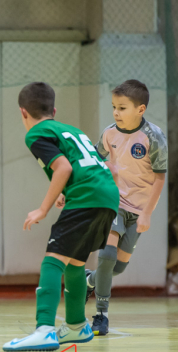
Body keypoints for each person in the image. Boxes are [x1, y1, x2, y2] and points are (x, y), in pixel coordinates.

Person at [3, 82, 119, 352]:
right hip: (107, 197)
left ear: (23, 112)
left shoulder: (36, 133)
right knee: (75, 262)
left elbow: (63, 168)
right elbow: (110, 169)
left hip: (87, 197)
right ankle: (77, 326)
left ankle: (44, 330)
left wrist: (42, 209)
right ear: (53, 111)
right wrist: (69, 192)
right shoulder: (73, 131)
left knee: (53, 260)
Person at [86, 80, 167, 336]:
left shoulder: (154, 137)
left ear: (140, 109)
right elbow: (93, 163)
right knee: (107, 256)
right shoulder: (109, 134)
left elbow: (160, 178)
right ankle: (101, 315)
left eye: (122, 108)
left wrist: (147, 213)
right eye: (114, 107)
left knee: (117, 268)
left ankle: (90, 280)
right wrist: (73, 191)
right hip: (114, 202)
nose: (116, 113)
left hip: (139, 209)